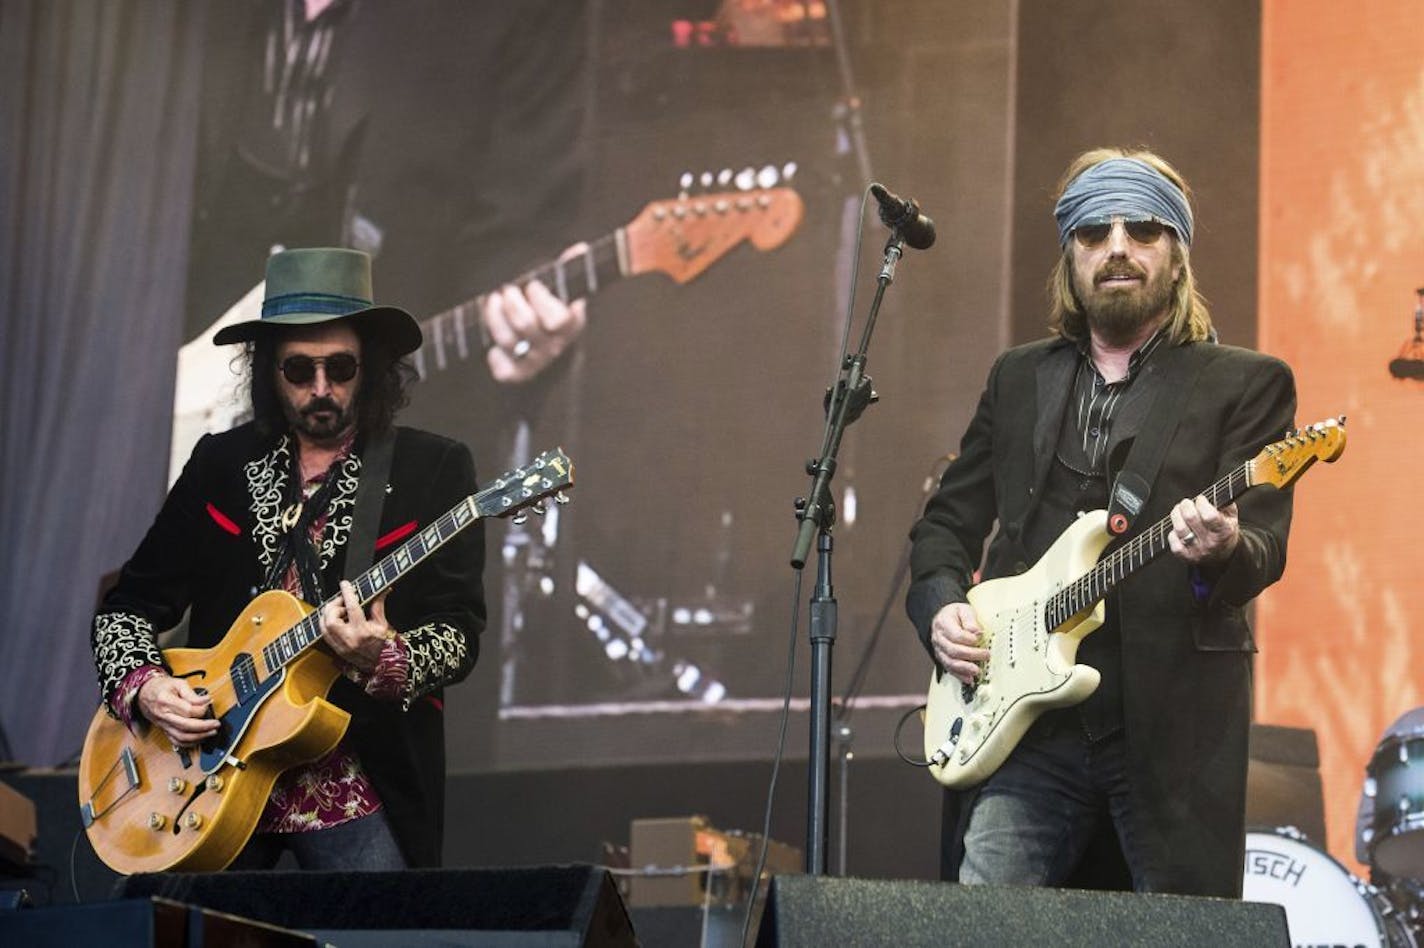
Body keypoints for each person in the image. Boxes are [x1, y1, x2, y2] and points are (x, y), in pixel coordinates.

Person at [905, 147, 1296, 897]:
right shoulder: (1017, 377)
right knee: (980, 923)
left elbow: (1264, 549)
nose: (1117, 247)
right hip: (1024, 724)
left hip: (1168, 733)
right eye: (1093, 232)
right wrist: (942, 605)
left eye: (1142, 229)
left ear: (1176, 257)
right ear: (1070, 258)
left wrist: (1221, 548)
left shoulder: (1245, 384)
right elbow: (945, 525)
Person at [90, 247, 486, 870]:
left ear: (373, 367)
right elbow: (128, 608)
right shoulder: (220, 464)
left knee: (380, 934)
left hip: (353, 771)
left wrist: (385, 655)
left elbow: (460, 631)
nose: (322, 389)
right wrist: (146, 688)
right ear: (269, 372)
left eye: (342, 368)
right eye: (300, 370)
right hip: (209, 771)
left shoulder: (431, 468)